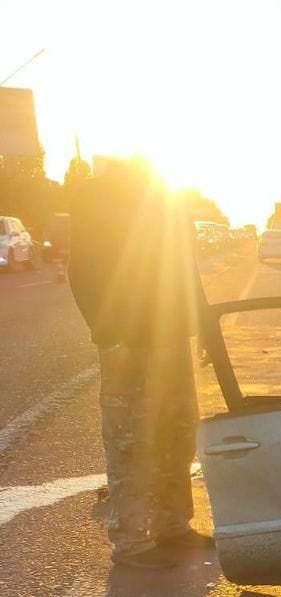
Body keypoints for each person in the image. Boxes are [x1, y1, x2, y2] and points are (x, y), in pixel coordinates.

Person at [68, 164, 212, 569]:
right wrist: (107, 331)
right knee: (130, 439)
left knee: (177, 431)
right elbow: (81, 270)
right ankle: (131, 540)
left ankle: (172, 525)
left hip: (170, 335)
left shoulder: (169, 196)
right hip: (125, 342)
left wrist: (204, 328)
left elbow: (186, 269)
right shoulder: (98, 194)